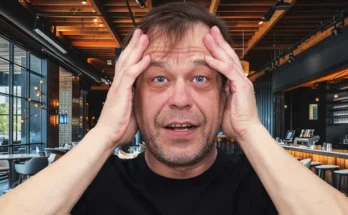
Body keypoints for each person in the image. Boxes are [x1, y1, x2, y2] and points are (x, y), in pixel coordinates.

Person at [0, 2, 347, 215]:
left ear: (226, 94)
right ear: (132, 96)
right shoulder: (90, 186)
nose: (180, 99)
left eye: (200, 79)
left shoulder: (270, 186)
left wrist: (251, 131)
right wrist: (103, 134)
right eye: (159, 79)